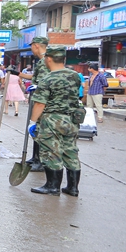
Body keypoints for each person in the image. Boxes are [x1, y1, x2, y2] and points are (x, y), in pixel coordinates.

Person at [28, 45, 83, 196]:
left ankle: (52, 186)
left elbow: (40, 103)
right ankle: (73, 188)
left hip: (52, 120)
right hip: (72, 119)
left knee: (52, 152)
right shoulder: (75, 76)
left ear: (49, 59)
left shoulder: (48, 78)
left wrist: (32, 122)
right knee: (71, 152)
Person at [18, 37, 50, 172]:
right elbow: (35, 77)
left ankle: (42, 160)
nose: (31, 49)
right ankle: (35, 157)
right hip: (37, 97)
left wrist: (37, 87)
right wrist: (18, 74)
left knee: (39, 129)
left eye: (32, 46)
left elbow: (43, 82)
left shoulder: (45, 61)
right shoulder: (42, 61)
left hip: (42, 100)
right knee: (35, 129)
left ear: (36, 46)